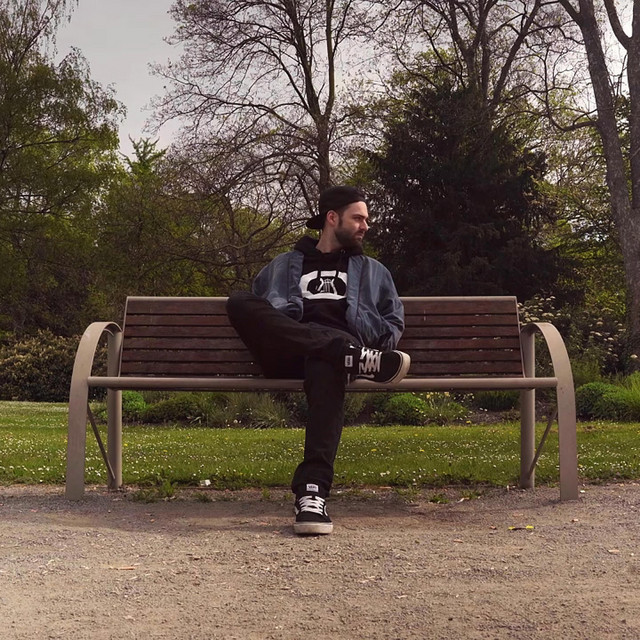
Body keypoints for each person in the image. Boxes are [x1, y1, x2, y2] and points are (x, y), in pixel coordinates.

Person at [226, 186, 410, 535]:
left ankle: (312, 492)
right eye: (358, 218)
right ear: (332, 218)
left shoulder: (374, 271)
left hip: (333, 362)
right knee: (238, 301)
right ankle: (347, 355)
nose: (365, 226)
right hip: (288, 354)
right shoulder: (282, 265)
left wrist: (366, 341)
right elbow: (261, 314)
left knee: (328, 362)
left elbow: (393, 322)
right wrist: (338, 348)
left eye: (366, 220)